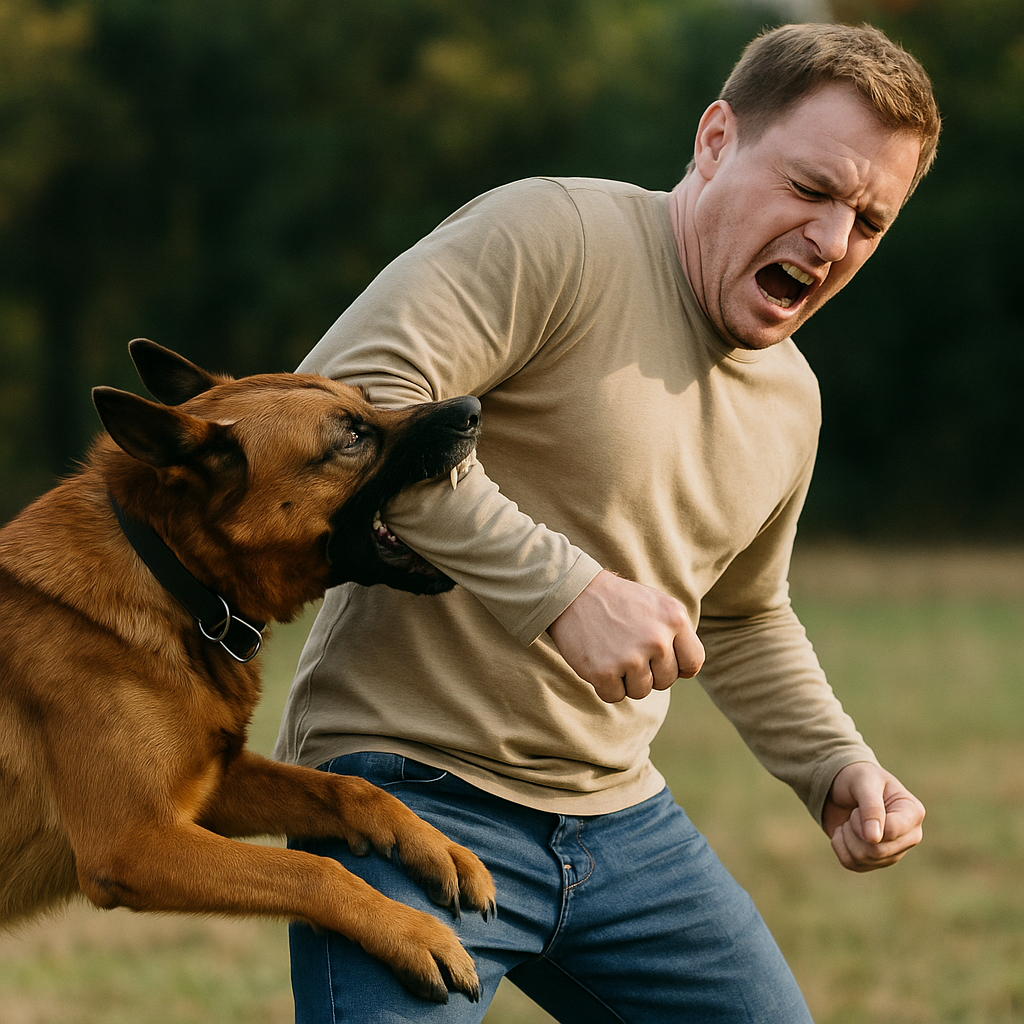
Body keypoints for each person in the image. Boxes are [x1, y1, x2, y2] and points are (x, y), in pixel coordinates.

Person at [275, 22, 941, 1023]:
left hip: (618, 824)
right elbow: (335, 413)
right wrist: (562, 591)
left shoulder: (791, 399)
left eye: (869, 221)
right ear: (716, 139)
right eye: (810, 189)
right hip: (405, 788)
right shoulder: (555, 236)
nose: (831, 240)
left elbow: (743, 612)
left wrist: (834, 764)